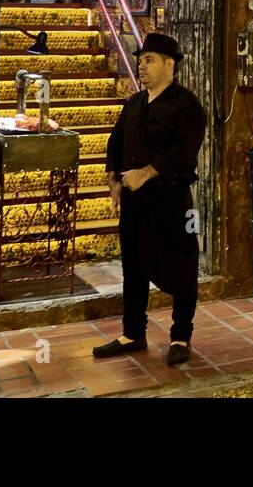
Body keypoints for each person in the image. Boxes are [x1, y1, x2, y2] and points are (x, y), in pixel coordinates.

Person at [92, 32, 206, 367]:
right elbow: (116, 141)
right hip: (135, 203)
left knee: (183, 265)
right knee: (134, 266)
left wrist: (147, 172)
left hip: (172, 200)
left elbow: (185, 152)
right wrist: (113, 177)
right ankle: (132, 333)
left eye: (149, 60)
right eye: (141, 60)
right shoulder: (134, 103)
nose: (142, 66)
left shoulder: (187, 105)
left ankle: (180, 336)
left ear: (170, 64)